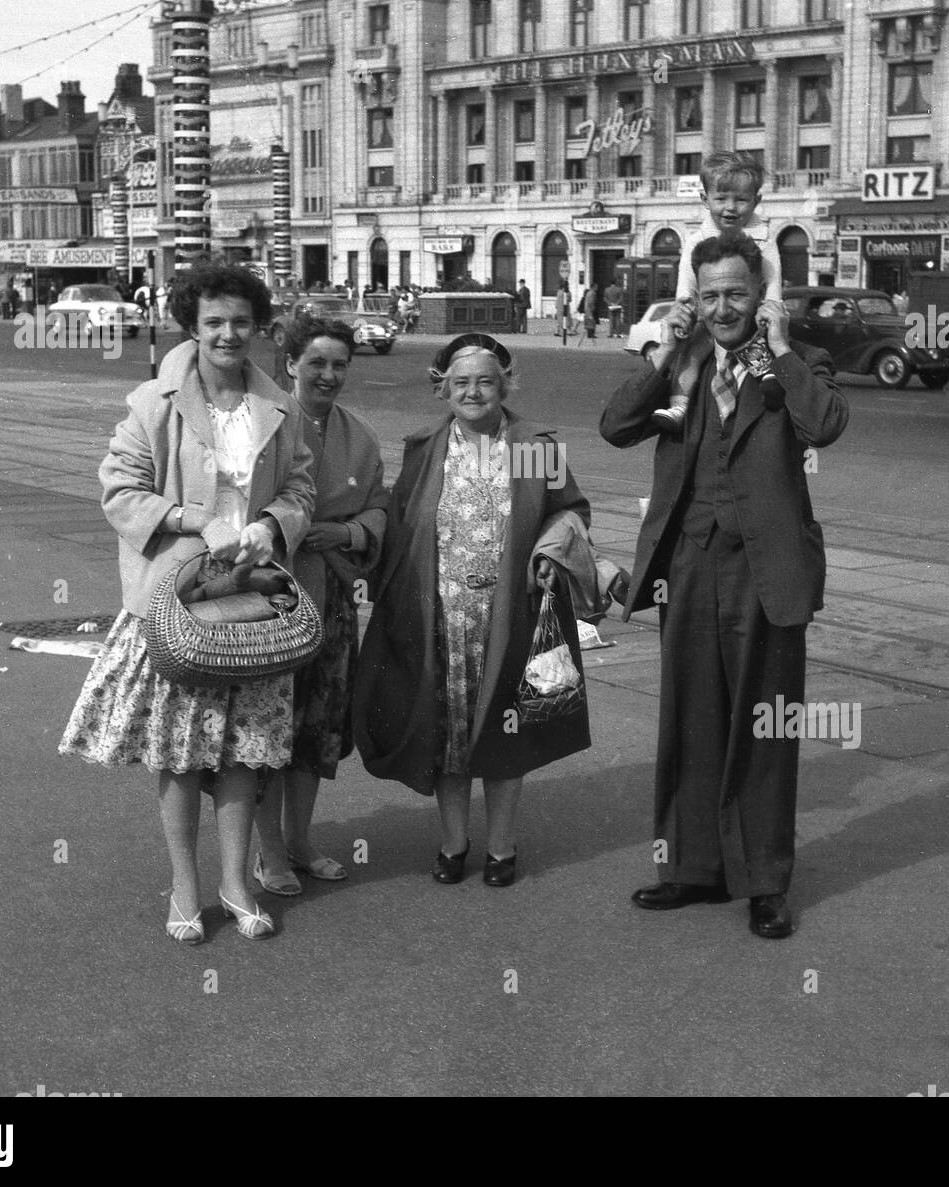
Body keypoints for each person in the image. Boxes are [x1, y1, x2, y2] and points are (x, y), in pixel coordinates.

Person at [58, 260, 316, 944]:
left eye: (240, 321)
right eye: (213, 322)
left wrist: (271, 525)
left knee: (242, 748)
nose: (228, 334)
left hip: (252, 602)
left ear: (257, 327)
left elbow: (300, 489)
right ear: (192, 327)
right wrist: (195, 519)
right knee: (180, 750)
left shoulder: (277, 406)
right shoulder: (154, 400)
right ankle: (185, 884)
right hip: (178, 600)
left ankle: (235, 881)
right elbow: (119, 490)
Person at [599, 230, 848, 939]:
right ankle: (690, 866)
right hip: (691, 564)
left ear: (760, 292)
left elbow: (824, 423)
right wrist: (665, 355)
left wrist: (784, 349)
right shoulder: (680, 360)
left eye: (736, 292)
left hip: (768, 570)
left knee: (766, 726)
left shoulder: (794, 362)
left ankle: (765, 881)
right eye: (708, 295)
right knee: (691, 718)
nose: (722, 307)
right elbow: (614, 426)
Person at [353, 334, 592, 888]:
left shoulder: (534, 445)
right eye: (461, 382)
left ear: (505, 383)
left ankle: (503, 849)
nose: (474, 391)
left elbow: (571, 510)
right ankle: (454, 843)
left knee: (506, 735)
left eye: (486, 380)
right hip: (440, 620)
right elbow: (399, 523)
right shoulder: (425, 449)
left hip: (512, 616)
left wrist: (552, 549)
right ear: (443, 389)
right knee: (447, 734)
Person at [251, 313, 388, 893]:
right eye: (316, 364)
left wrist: (351, 535)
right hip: (274, 600)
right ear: (290, 365)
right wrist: (296, 529)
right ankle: (270, 852)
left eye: (339, 365)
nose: (328, 375)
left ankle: (302, 840)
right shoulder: (266, 424)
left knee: (316, 729)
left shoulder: (359, 434)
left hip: (332, 600)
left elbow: (380, 507)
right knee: (270, 727)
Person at [652, 151, 783, 430]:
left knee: (762, 340)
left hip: (751, 316)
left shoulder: (765, 240)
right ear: (705, 199)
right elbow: (686, 283)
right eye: (721, 199)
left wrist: (771, 308)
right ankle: (679, 405)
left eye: (741, 200)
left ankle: (769, 378)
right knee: (691, 354)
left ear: (757, 201)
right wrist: (684, 311)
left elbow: (773, 282)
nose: (730, 208)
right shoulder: (697, 239)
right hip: (708, 314)